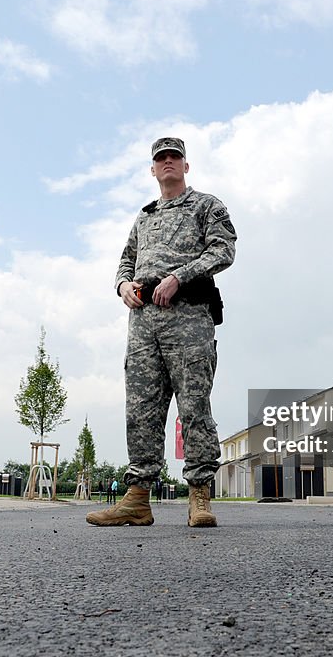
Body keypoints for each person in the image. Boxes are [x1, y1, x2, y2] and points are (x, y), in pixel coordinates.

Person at [87, 137, 236, 528]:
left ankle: (200, 496)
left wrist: (179, 278)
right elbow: (126, 260)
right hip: (143, 322)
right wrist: (123, 286)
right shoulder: (145, 217)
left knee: (193, 405)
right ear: (153, 169)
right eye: (160, 159)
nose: (167, 162)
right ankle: (137, 498)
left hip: (188, 316)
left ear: (186, 166)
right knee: (141, 410)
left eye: (175, 157)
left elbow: (224, 250)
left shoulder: (206, 205)